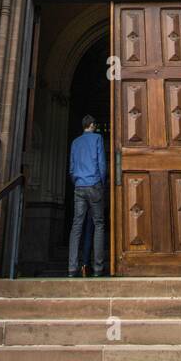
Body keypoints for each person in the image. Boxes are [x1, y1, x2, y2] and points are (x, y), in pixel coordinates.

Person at [68, 114, 106, 278]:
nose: (95, 127)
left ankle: (72, 268)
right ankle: (98, 268)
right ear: (91, 125)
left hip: (79, 186)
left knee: (77, 226)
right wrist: (102, 183)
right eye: (94, 125)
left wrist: (77, 181)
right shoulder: (97, 139)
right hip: (94, 184)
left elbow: (71, 167)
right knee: (98, 224)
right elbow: (102, 163)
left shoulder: (75, 142)